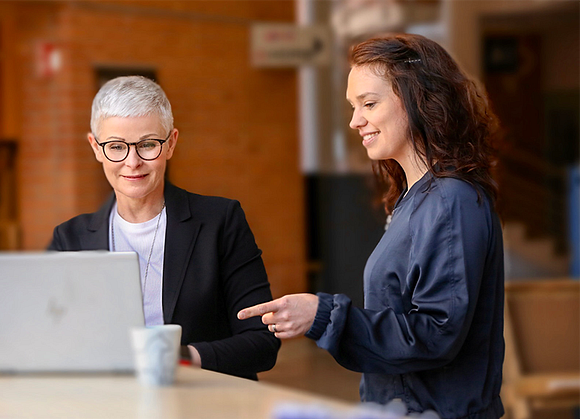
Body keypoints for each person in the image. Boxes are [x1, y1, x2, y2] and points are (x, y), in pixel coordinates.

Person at [239, 33, 505, 418]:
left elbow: (435, 334)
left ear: (418, 99)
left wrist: (323, 315)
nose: (355, 120)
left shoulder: (450, 200)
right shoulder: (418, 198)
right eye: (353, 106)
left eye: (369, 103)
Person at [48, 75, 279, 380]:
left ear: (171, 143)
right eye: (116, 147)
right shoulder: (69, 239)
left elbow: (261, 343)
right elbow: (49, 340)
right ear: (95, 147)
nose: (132, 162)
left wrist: (179, 356)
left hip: (201, 403)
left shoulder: (220, 221)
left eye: (147, 145)